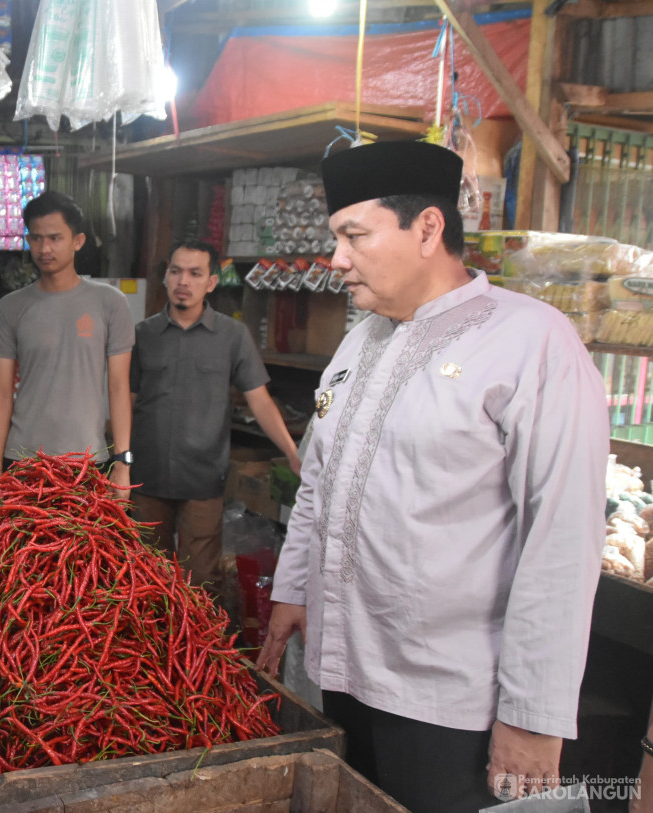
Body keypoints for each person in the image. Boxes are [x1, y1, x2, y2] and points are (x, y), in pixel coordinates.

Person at [257, 141, 608, 813]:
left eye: (353, 235)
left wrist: (533, 714)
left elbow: (562, 540)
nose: (337, 259)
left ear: (427, 228)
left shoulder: (532, 343)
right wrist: (294, 588)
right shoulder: (363, 340)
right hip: (345, 675)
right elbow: (319, 484)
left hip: (455, 703)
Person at [131, 239, 301, 595]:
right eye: (176, 271)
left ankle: (194, 651)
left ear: (211, 282)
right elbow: (125, 401)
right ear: (165, 276)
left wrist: (290, 451)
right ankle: (152, 650)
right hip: (145, 476)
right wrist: (118, 459)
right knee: (145, 578)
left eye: (195, 273)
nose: (183, 281)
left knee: (201, 582)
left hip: (203, 476)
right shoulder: (143, 335)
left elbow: (261, 400)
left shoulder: (232, 335)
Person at [0, 191, 134, 494]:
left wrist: (123, 463)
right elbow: (1, 393)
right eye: (37, 239)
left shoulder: (110, 303)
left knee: (86, 542)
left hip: (87, 461)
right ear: (28, 242)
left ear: (77, 241)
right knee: (20, 543)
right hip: (23, 459)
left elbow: (119, 387)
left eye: (55, 238)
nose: (45, 248)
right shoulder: (9, 308)